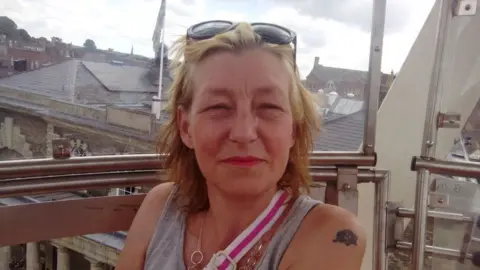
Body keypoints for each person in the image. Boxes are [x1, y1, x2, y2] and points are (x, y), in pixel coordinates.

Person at [116, 20, 366, 270]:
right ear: (185, 127)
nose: (244, 133)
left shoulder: (331, 235)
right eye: (218, 107)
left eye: (269, 107)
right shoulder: (161, 206)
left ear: (294, 129)